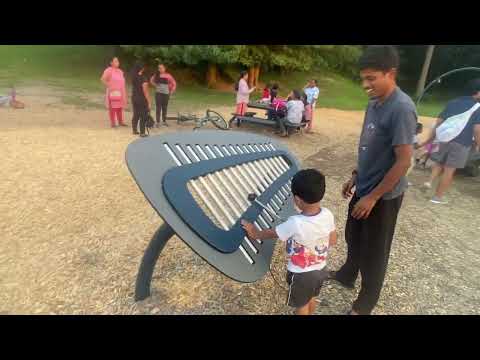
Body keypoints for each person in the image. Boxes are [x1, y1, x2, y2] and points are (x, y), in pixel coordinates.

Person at [328, 46, 416, 315]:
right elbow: (370, 146)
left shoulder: (401, 108)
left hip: (383, 196)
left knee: (375, 251)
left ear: (391, 73)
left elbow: (403, 161)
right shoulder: (373, 103)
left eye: (372, 78)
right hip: (364, 185)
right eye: (363, 79)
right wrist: (356, 175)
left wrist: (373, 197)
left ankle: (365, 304)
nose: (365, 85)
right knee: (353, 235)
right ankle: (347, 275)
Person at [241, 169, 337, 315]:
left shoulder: (295, 223)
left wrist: (254, 233)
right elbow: (333, 240)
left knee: (301, 305)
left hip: (301, 275)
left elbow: (272, 233)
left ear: (297, 200)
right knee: (311, 297)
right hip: (321, 269)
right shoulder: (327, 214)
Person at [418, 79, 480, 204]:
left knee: (439, 163)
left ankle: (429, 181)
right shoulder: (478, 107)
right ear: (478, 92)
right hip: (461, 142)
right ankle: (437, 197)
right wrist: (478, 144)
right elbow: (477, 129)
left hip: (443, 138)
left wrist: (431, 139)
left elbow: (439, 121)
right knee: (449, 170)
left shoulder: (453, 102)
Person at [101, 57, 127, 128]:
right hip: (113, 92)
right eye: (115, 61)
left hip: (120, 92)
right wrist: (110, 86)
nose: (117, 62)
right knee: (113, 108)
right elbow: (103, 79)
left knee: (119, 107)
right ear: (111, 63)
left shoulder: (120, 71)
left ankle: (120, 122)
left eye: (118, 61)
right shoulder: (108, 70)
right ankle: (113, 123)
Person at [130, 61, 151, 137]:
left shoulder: (134, 76)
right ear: (142, 68)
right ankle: (142, 132)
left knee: (136, 114)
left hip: (134, 98)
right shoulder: (143, 78)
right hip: (141, 99)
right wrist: (149, 102)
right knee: (143, 115)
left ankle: (134, 130)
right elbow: (145, 91)